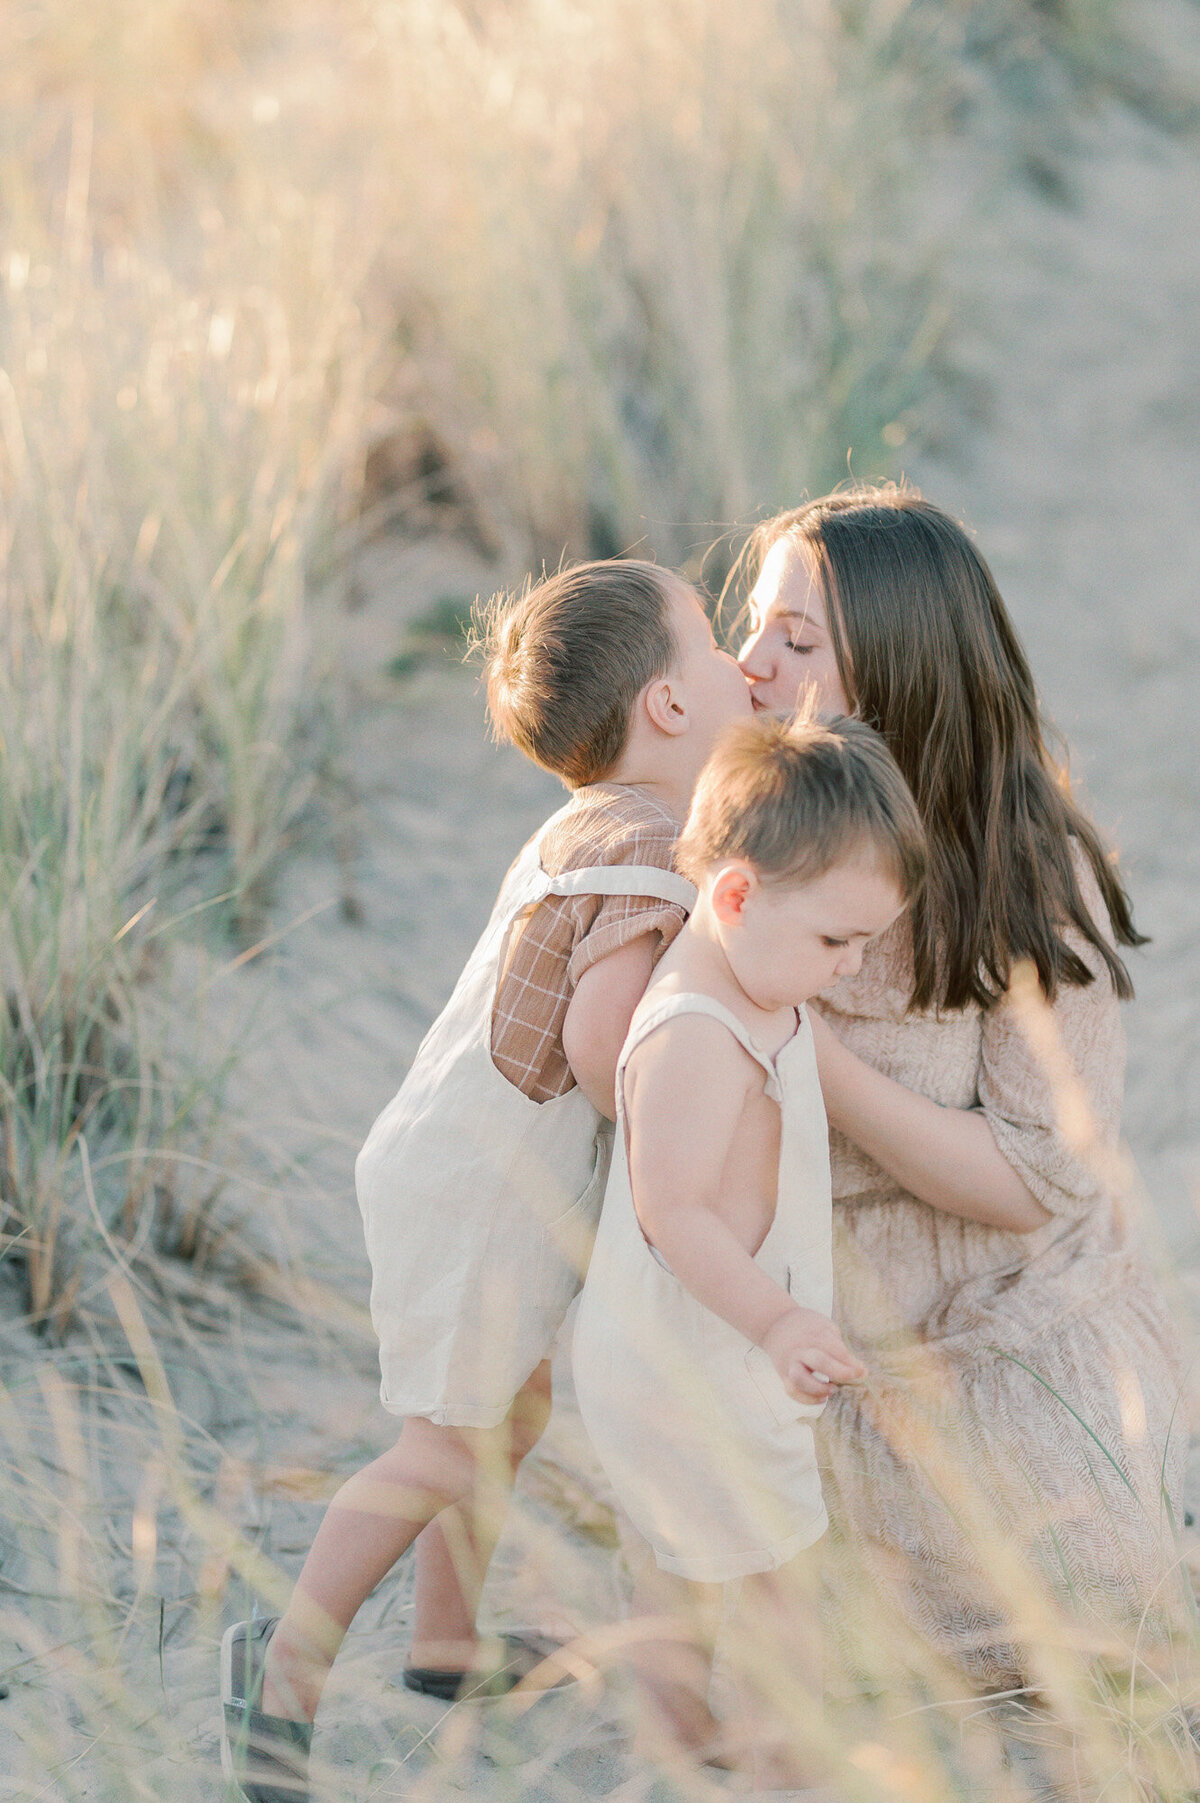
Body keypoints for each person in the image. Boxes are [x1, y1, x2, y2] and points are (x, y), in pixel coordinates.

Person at [220, 558, 751, 1801]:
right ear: (668, 705)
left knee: (501, 1417)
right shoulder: (646, 845)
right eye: (714, 645)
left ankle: (447, 1647)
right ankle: (282, 1668)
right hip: (478, 1195)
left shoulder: (593, 824)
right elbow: (598, 1040)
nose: (739, 668)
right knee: (441, 1446)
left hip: (469, 1176)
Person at [735, 484, 1188, 1690]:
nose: (751, 663)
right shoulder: (739, 827)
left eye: (794, 640)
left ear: (898, 671)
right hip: (791, 1322)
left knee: (1095, 1616)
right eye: (752, 626)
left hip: (1003, 1303)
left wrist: (808, 1057)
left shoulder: (1026, 876)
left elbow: (1032, 1182)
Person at [572, 711, 926, 1789]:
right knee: (774, 1579)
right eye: (836, 940)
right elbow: (669, 1209)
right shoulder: (694, 1031)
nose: (854, 964)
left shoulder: (749, 978)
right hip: (701, 1358)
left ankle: (680, 1755)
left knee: (675, 1571)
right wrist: (775, 1322)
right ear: (733, 896)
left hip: (696, 1349)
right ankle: (778, 1768)